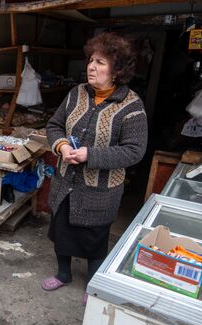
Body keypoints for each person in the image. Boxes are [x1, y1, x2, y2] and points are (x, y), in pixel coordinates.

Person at [42, 32, 148, 305]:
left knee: (94, 239)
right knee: (61, 230)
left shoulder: (132, 106)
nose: (91, 67)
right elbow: (54, 125)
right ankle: (63, 274)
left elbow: (134, 151)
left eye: (100, 62)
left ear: (117, 70)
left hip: (100, 190)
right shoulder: (75, 94)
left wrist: (91, 154)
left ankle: (92, 283)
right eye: (91, 60)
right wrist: (62, 146)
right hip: (66, 182)